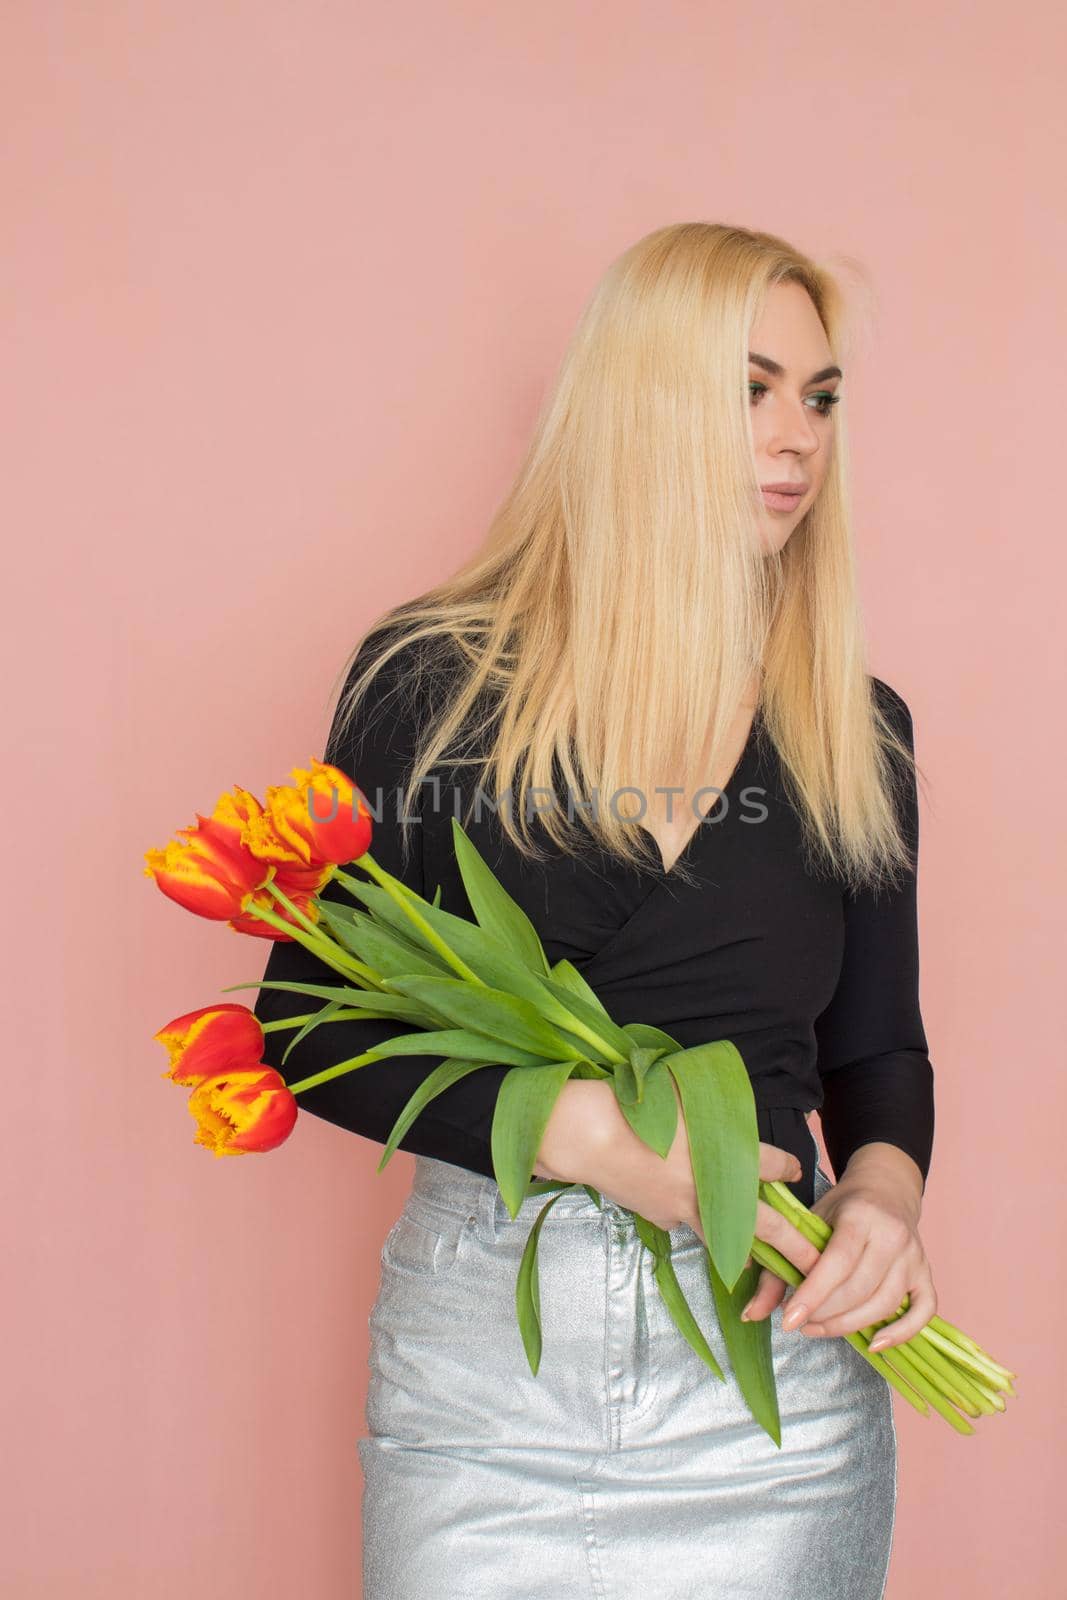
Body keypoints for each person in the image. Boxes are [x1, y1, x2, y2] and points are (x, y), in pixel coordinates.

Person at [252, 221, 937, 1600]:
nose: (796, 437)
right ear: (638, 404)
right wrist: (594, 1140)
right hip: (484, 1391)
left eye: (819, 396)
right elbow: (309, 1023)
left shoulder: (857, 728)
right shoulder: (430, 682)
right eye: (747, 390)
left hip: (774, 1391)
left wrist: (880, 1202)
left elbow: (878, 1056)